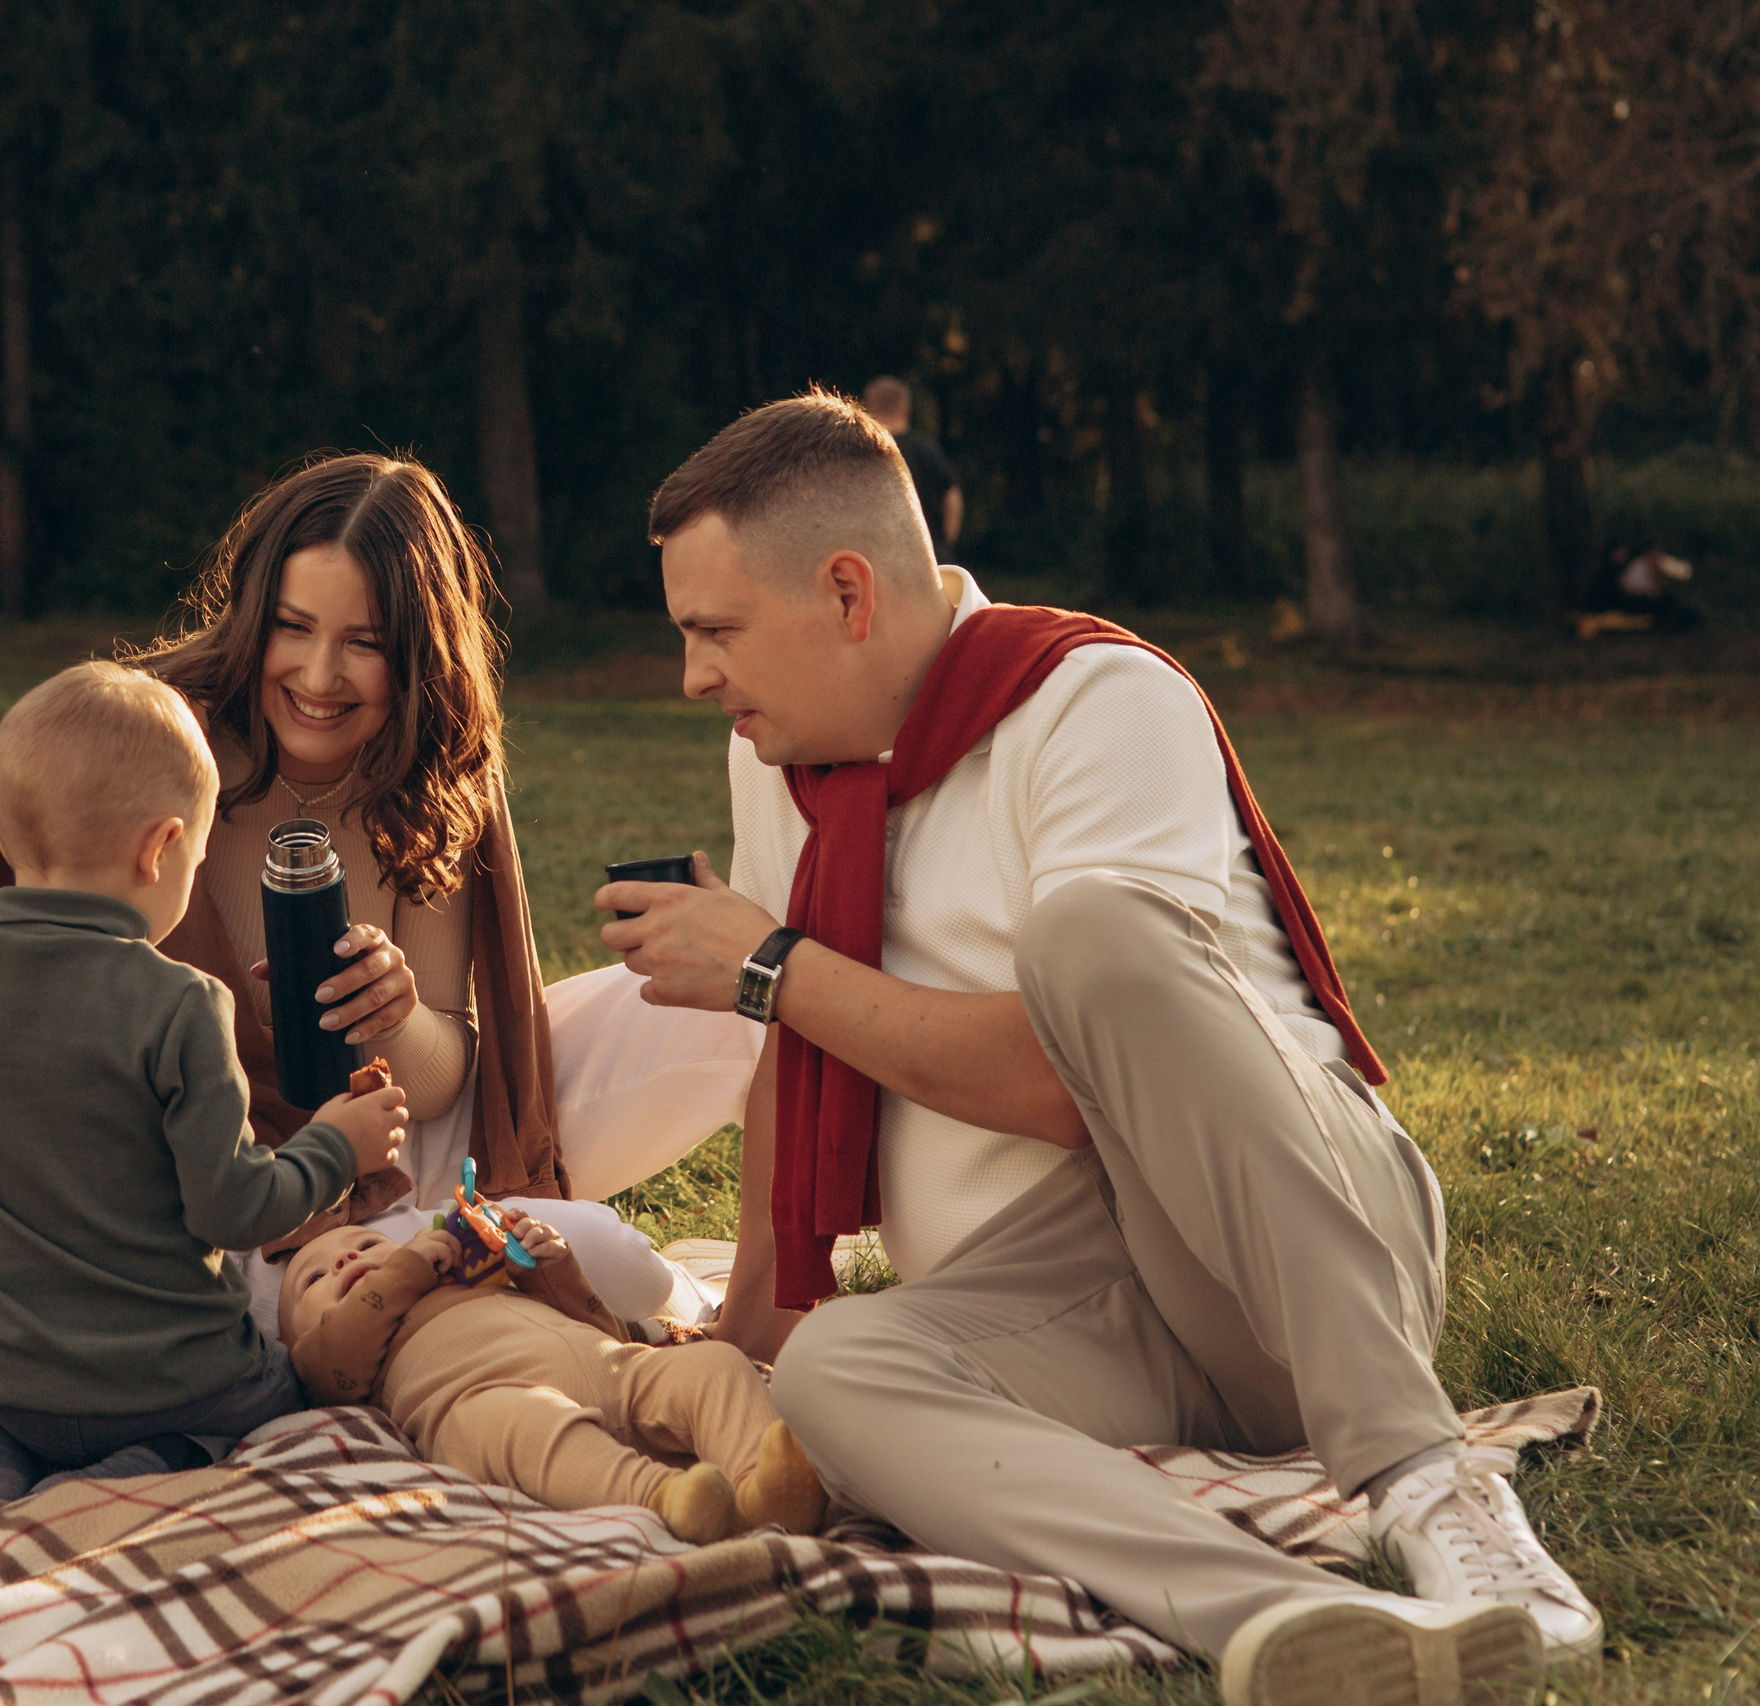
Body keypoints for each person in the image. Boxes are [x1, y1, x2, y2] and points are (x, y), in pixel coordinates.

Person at [599, 391, 1599, 1698]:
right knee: (839, 1366)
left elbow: (1063, 1080)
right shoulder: (783, 764)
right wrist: (749, 1319)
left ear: (848, 593)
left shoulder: (1092, 697)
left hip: (1282, 1260)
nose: (695, 676)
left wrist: (770, 967)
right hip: (1075, 1306)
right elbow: (799, 1048)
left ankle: (1427, 1481)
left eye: (715, 631)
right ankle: (1286, 1618)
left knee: (1091, 934)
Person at [0, 455, 761, 1336]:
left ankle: (726, 1298)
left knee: (739, 1003)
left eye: (366, 643)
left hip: (400, 1136)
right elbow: (14, 992)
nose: (318, 675)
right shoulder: (149, 742)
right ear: (252, 616)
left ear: (418, 654)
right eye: (292, 628)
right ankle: (452, 1270)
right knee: (605, 1259)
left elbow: (445, 1078)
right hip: (218, 1181)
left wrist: (395, 1013)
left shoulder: (435, 764)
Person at [0, 618, 410, 1497]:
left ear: (9, 840)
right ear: (161, 846)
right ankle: (148, 1470)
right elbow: (234, 1207)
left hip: (14, 1384)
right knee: (283, 1394)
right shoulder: (181, 1006)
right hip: (175, 1385)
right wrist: (336, 1146)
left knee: (3, 1417)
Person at [280, 1209, 827, 1544]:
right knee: (525, 1428)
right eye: (311, 1279)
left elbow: (602, 1324)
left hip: (610, 1365)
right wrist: (404, 1266)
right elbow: (338, 1354)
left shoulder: (477, 1283)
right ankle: (669, 1500)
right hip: (495, 1398)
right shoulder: (327, 1359)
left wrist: (549, 1265)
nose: (345, 1256)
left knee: (714, 1364)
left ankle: (767, 1485)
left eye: (369, 1244)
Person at [862, 376, 961, 551]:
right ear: (906, 410)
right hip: (931, 550)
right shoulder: (927, 449)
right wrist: (944, 542)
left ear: (868, 411)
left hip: (881, 554)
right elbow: (952, 497)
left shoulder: (865, 452)